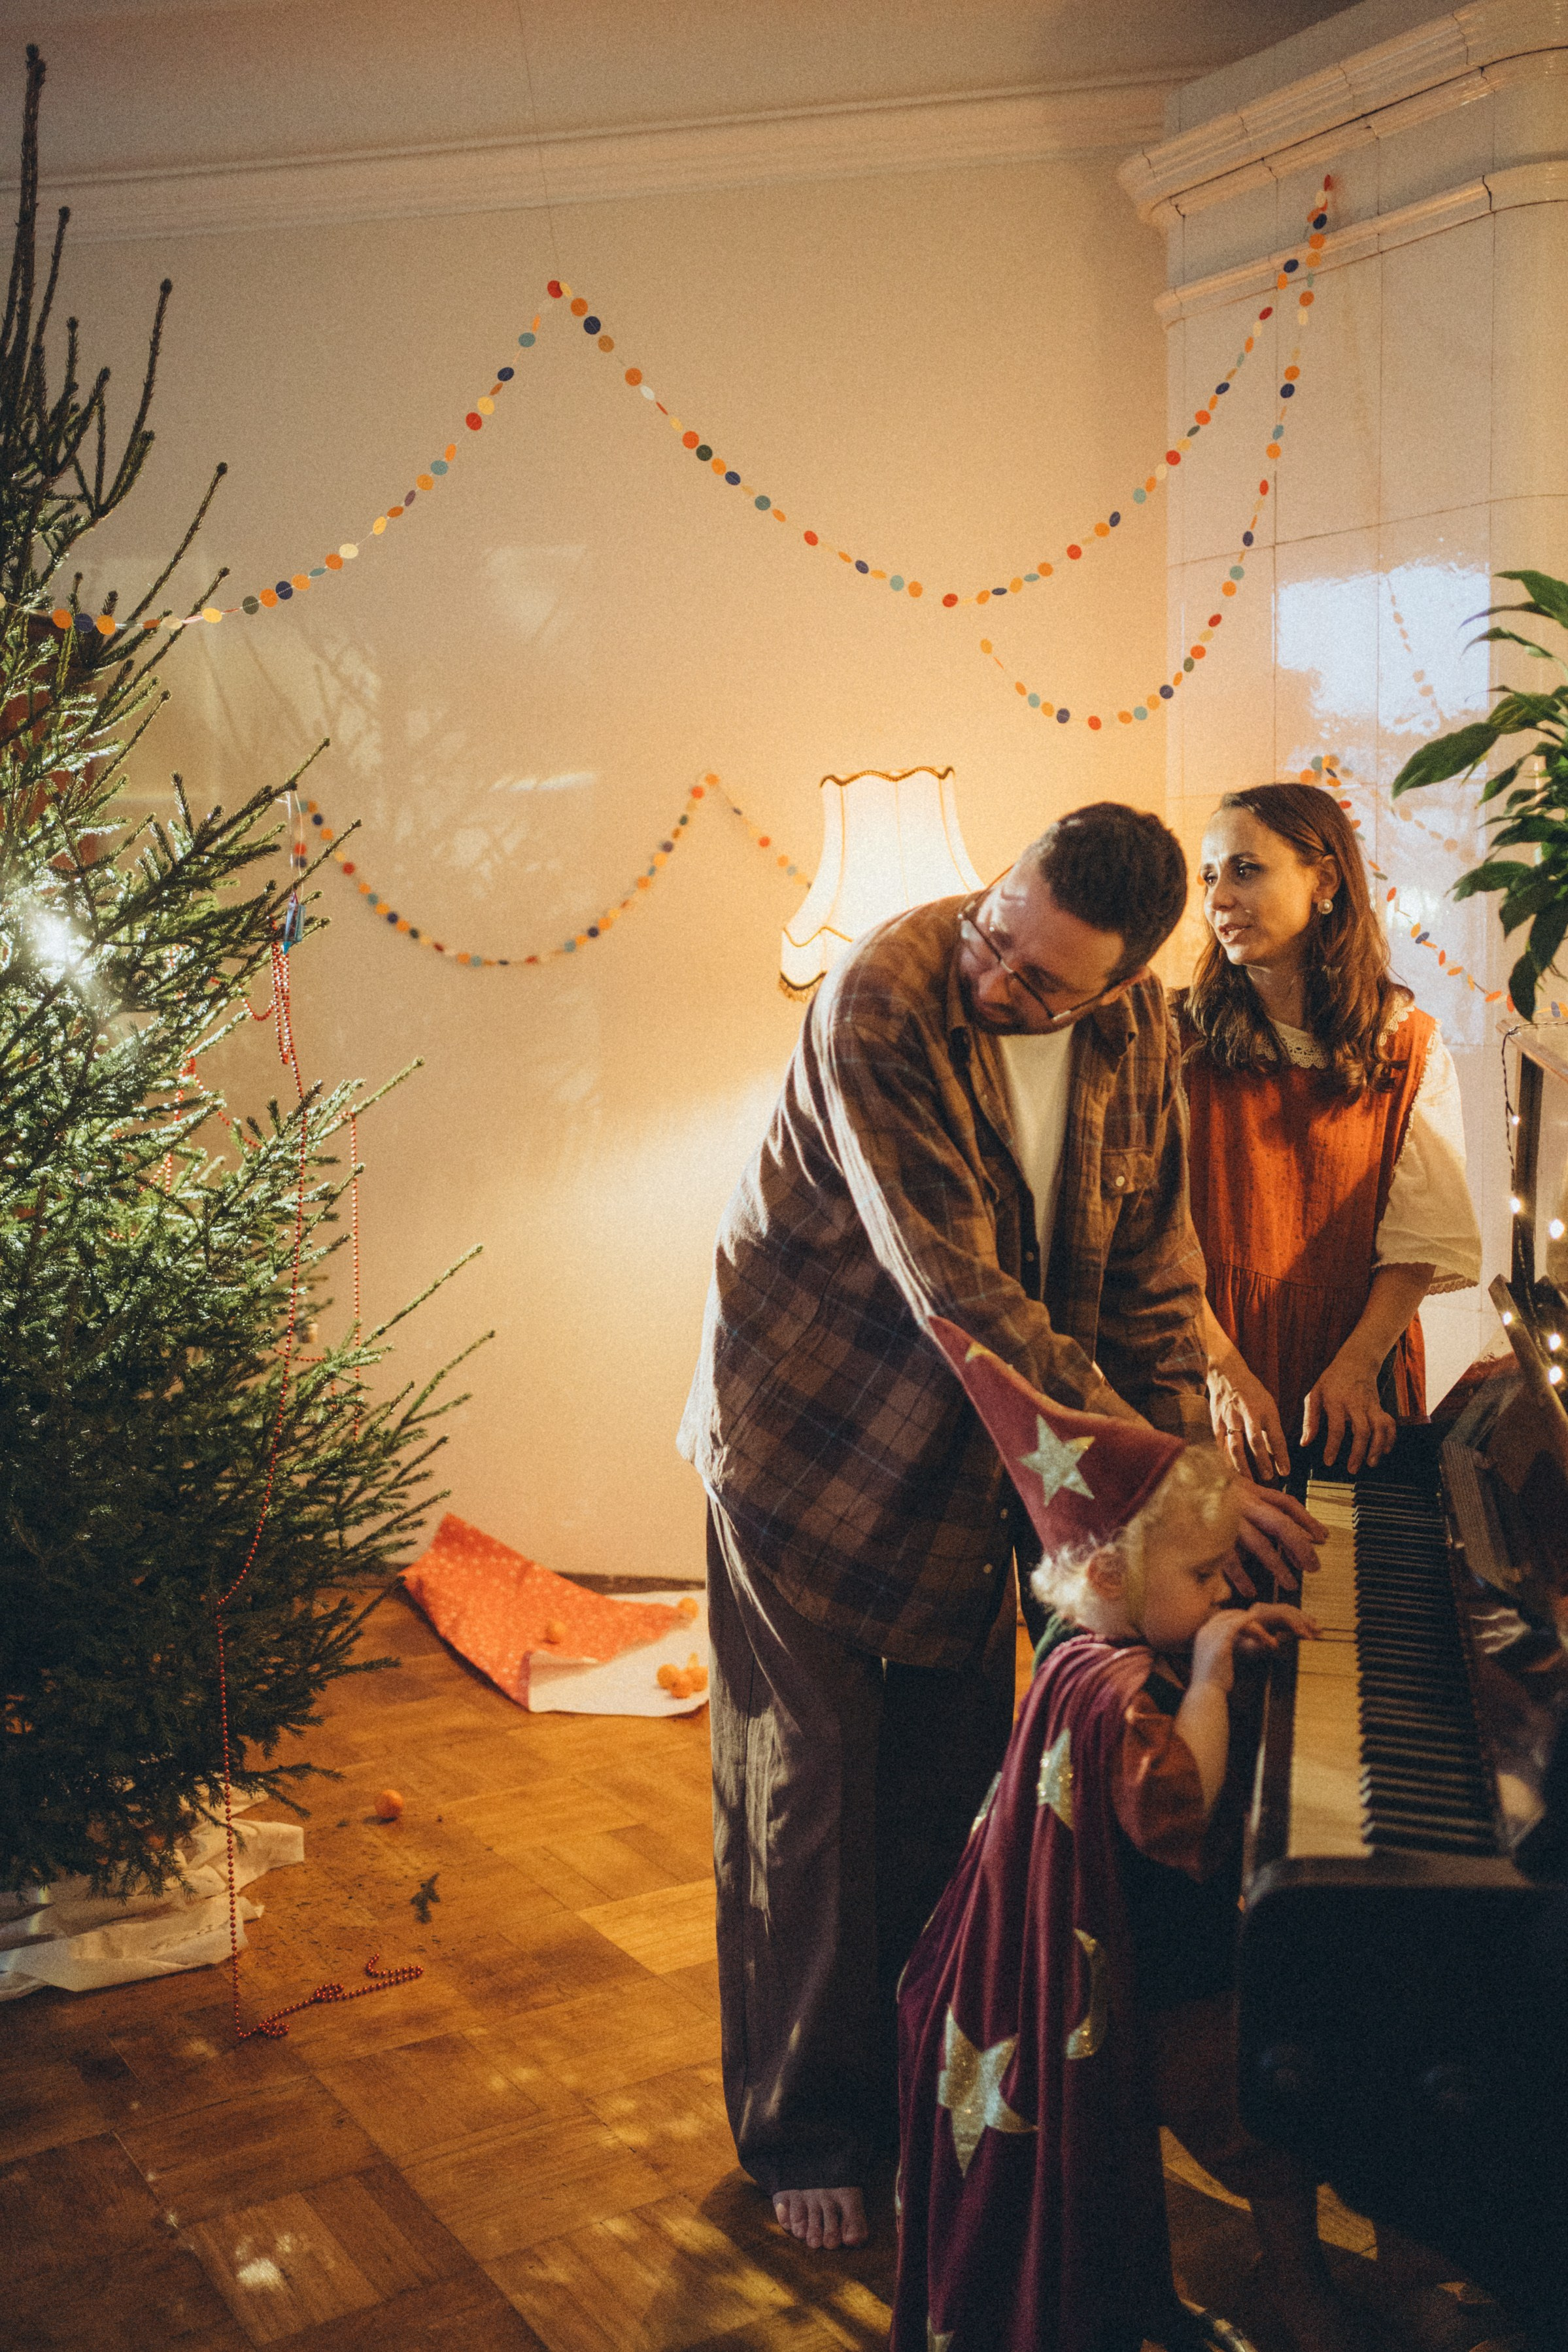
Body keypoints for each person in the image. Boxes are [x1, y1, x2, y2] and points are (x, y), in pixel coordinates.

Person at [678, 802, 1322, 2253]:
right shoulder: (878, 1002)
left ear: (1113, 986)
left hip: (986, 1469)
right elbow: (956, 1291)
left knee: (949, 1783)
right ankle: (803, 2129)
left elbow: (1154, 1270)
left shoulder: (1137, 1034)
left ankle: (908, 2084)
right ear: (998, 891)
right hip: (813, 1446)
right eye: (996, 935)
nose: (1000, 982)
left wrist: (1197, 1491)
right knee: (815, 1805)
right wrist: (1166, 1484)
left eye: (1042, 982)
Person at [894, 1320, 1360, 2352]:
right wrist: (1210, 1678)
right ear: (1110, 1576)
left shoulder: (1070, 1651)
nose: (1220, 1593)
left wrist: (1205, 1640)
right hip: (1150, 1981)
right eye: (1201, 1578)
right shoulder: (1124, 1698)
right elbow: (1176, 1798)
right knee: (1264, 2122)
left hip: (1085, 1962)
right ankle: (1300, 2291)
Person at [1184, 784, 1480, 1483]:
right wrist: (1223, 1371)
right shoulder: (1175, 1042)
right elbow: (1149, 1241)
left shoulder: (1410, 1048)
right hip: (1204, 1367)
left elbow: (1419, 1242)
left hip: (1353, 1381)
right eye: (1208, 876)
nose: (1217, 898)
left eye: (1243, 869)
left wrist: (1355, 1367)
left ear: (1323, 882)